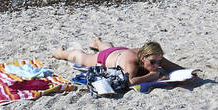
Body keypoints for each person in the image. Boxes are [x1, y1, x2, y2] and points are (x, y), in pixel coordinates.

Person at [51, 36, 185, 85]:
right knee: (81, 57)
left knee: (107, 47)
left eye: (159, 62)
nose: (157, 65)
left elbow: (174, 67)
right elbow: (129, 81)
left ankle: (97, 42)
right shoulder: (131, 62)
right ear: (143, 58)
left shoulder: (154, 57)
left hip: (119, 51)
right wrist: (152, 76)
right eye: (153, 63)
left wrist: (188, 74)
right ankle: (59, 52)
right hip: (105, 59)